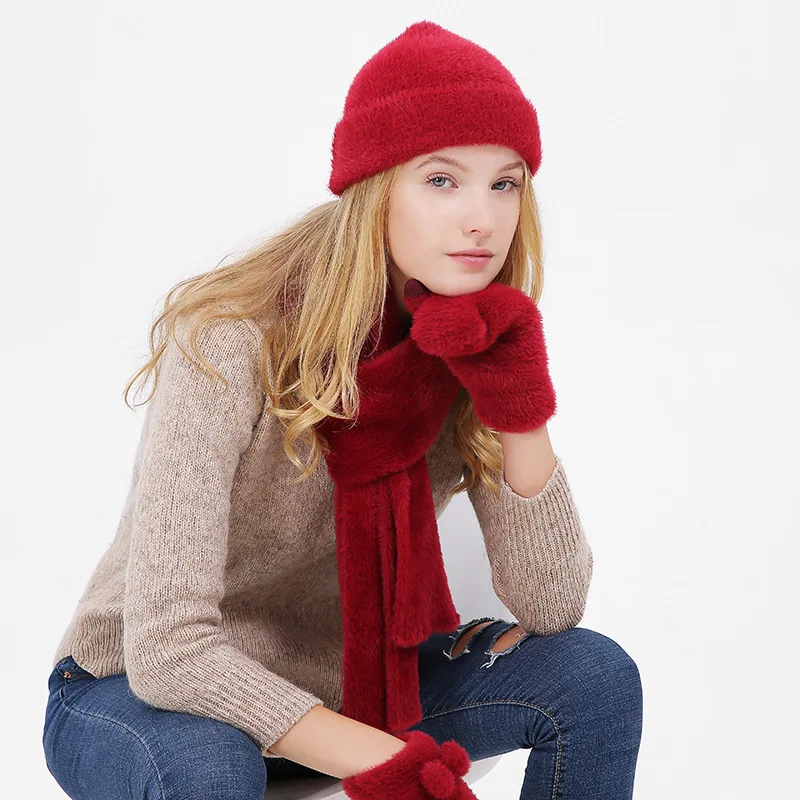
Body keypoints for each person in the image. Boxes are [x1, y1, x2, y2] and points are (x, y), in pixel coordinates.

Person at [41, 20, 642, 800]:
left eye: (505, 183)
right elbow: (168, 649)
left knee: (594, 677)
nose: (483, 219)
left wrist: (519, 395)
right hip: (137, 691)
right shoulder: (231, 338)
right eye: (442, 180)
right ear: (375, 188)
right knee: (210, 768)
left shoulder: (463, 340)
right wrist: (389, 764)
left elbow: (550, 605)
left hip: (352, 684)